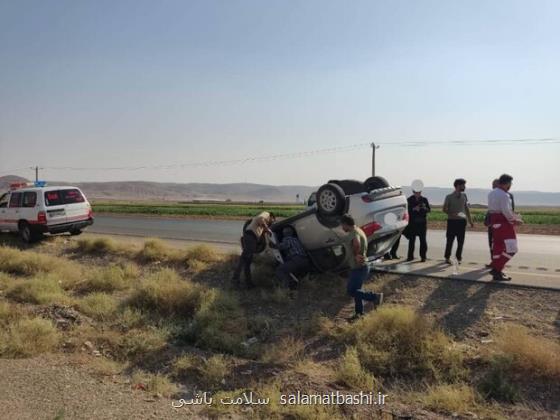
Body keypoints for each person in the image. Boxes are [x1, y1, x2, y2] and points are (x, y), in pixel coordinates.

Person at [341, 214, 383, 321]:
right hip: (361, 267)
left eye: (342, 225)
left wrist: (356, 255)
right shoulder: (359, 230)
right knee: (357, 291)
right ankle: (359, 314)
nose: (342, 228)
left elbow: (357, 244)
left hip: (359, 267)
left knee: (351, 291)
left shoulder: (354, 233)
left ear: (346, 224)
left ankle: (374, 297)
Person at [487, 174, 523, 281]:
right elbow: (506, 211)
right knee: (512, 249)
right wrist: (515, 220)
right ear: (507, 183)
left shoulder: (491, 193)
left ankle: (497, 272)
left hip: (494, 223)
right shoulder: (504, 195)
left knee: (497, 248)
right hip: (504, 223)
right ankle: (497, 269)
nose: (510, 185)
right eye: (510, 183)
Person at [232, 211, 275, 289]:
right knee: (244, 259)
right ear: (271, 217)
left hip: (251, 238)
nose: (272, 222)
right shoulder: (266, 214)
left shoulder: (262, 225)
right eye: (273, 220)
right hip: (250, 236)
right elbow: (260, 218)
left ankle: (248, 283)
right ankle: (235, 280)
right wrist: (268, 229)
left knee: (247, 262)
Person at [442, 178, 474, 264]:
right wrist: (453, 214)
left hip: (462, 222)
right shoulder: (449, 197)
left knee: (460, 242)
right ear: (458, 186)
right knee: (450, 241)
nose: (464, 187)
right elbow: (444, 209)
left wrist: (470, 221)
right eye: (463, 185)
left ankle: (458, 258)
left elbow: (466, 208)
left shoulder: (464, 196)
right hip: (452, 222)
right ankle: (447, 257)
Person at [406, 188, 431, 261]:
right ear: (413, 192)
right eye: (416, 192)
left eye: (419, 192)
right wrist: (414, 209)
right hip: (412, 224)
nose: (418, 194)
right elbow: (407, 210)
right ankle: (410, 257)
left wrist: (423, 208)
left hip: (422, 223)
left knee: (423, 241)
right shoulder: (409, 200)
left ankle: (423, 257)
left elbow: (429, 210)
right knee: (411, 241)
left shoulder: (424, 199)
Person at [484, 179, 500, 266]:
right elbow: (490, 210)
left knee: (499, 244)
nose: (493, 187)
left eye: (495, 185)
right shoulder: (491, 195)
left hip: (501, 225)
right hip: (492, 224)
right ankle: (493, 261)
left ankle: (498, 262)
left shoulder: (506, 195)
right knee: (491, 243)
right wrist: (487, 220)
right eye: (492, 185)